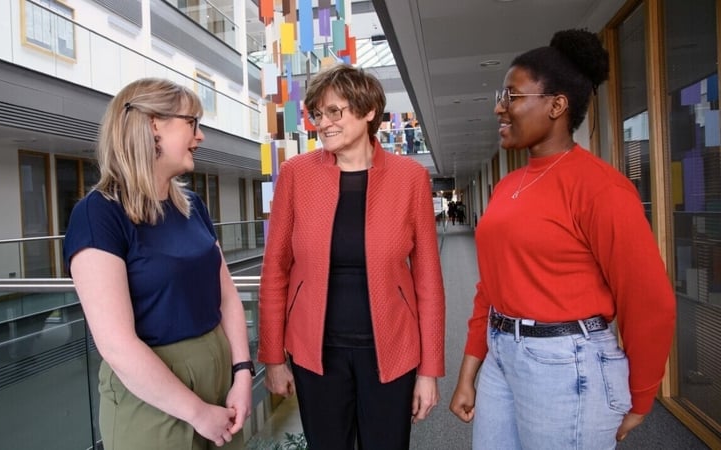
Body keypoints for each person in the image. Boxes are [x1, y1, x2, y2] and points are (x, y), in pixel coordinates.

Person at [448, 29, 676, 449]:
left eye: (512, 96)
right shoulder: (507, 186)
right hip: (502, 357)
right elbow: (490, 288)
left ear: (556, 105)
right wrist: (469, 374)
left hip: (568, 364)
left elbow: (648, 299)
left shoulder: (600, 188)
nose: (499, 108)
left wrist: (642, 396)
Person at [258, 63, 446, 450]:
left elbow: (427, 280)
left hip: (392, 349)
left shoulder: (410, 177)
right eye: (317, 114)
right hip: (316, 354)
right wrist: (273, 357)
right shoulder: (296, 174)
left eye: (334, 112)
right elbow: (275, 270)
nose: (323, 123)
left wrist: (429, 370)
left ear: (368, 111)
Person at [64, 78, 252, 450]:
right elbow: (117, 346)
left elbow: (227, 297)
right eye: (192, 123)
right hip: (154, 403)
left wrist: (243, 373)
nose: (200, 137)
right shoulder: (98, 215)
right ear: (152, 125)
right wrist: (197, 412)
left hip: (220, 389)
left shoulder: (192, 206)